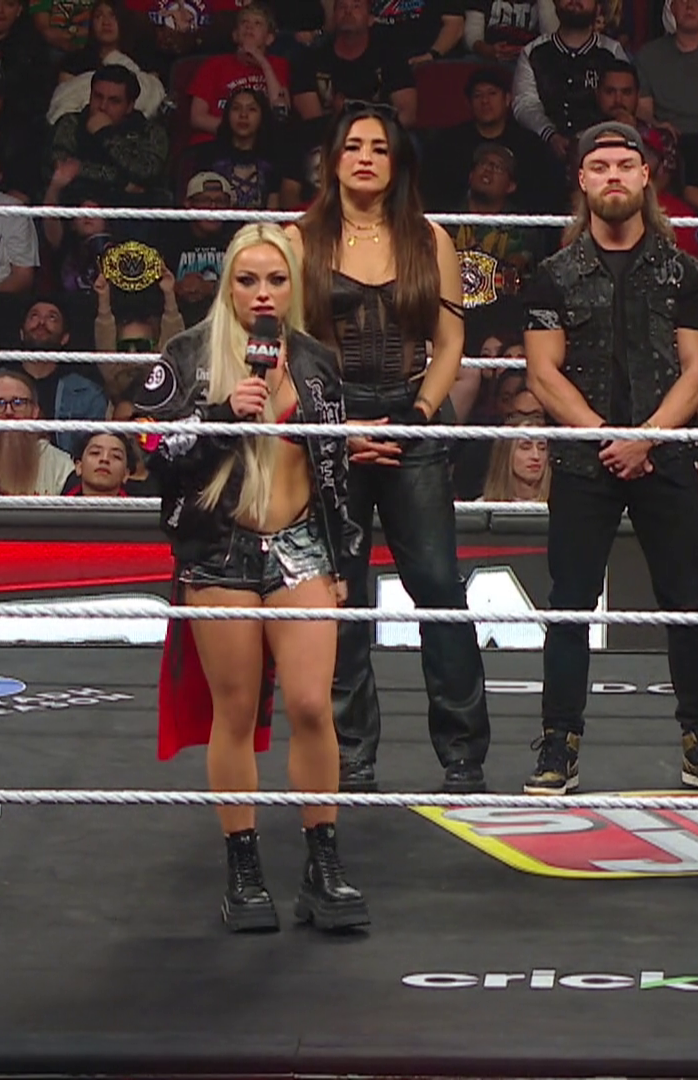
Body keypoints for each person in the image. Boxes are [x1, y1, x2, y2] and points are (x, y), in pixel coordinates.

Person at [135, 222, 368, 935]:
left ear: (293, 287)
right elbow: (153, 449)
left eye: (275, 280)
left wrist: (342, 559)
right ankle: (243, 868)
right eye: (247, 280)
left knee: (312, 705)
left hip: (302, 546)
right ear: (227, 285)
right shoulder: (186, 355)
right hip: (221, 550)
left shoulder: (316, 362)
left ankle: (323, 864)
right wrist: (219, 416)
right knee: (233, 711)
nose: (261, 294)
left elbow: (336, 471)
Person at [520, 120, 698, 797]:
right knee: (569, 603)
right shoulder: (553, 276)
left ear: (646, 176)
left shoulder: (685, 273)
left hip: (665, 457)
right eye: (600, 166)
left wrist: (646, 437)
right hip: (585, 462)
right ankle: (558, 743)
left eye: (625, 165)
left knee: (686, 602)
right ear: (582, 179)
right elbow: (543, 375)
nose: (612, 176)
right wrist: (607, 436)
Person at [289, 102, 492, 796]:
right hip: (328, 425)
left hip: (413, 417)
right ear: (332, 159)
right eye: (354, 146)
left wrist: (418, 415)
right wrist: (332, 428)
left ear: (397, 160)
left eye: (379, 147)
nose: (366, 158)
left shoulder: (429, 239)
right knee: (338, 592)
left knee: (437, 585)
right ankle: (350, 755)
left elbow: (451, 342)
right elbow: (285, 345)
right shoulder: (299, 240)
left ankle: (463, 755)